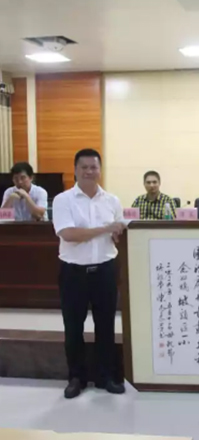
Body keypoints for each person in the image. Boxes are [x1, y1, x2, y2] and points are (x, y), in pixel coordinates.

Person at [52, 148, 126, 399]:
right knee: (73, 327)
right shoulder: (63, 200)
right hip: (74, 273)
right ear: (75, 170)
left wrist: (116, 233)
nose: (89, 171)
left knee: (106, 326)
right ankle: (77, 378)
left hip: (105, 270)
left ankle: (106, 377)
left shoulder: (112, 201)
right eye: (83, 167)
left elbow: (117, 234)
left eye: (93, 167)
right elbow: (69, 234)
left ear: (100, 170)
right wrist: (105, 229)